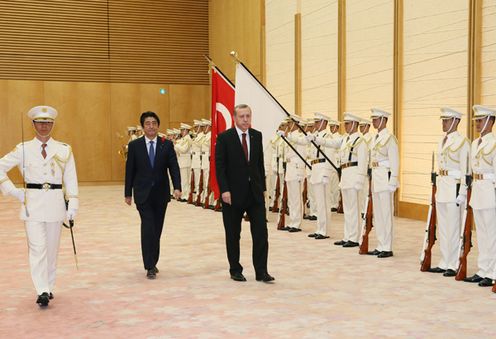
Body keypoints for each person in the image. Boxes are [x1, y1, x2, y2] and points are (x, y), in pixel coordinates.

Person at [0, 105, 79, 308]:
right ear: (33, 124)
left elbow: (70, 178)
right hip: (32, 205)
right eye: (40, 122)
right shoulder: (23, 149)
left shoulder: (63, 149)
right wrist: (13, 191)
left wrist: (73, 204)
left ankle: (49, 285)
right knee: (37, 248)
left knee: (51, 249)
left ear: (53, 124)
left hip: (55, 204)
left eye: (48, 122)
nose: (44, 126)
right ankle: (41, 289)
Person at [215, 104, 274, 283]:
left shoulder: (257, 135)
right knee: (233, 234)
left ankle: (261, 271)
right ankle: (235, 269)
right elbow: (220, 166)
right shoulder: (225, 138)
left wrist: (263, 188)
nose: (246, 120)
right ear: (234, 118)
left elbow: (259, 164)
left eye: (248, 116)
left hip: (254, 194)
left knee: (261, 233)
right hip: (232, 194)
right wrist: (224, 189)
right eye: (242, 116)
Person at [125, 111, 181, 279]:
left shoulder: (166, 144)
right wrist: (128, 193)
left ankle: (153, 261)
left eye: (154, 123)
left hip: (161, 194)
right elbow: (130, 170)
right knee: (148, 226)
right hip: (142, 194)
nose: (151, 126)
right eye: (147, 123)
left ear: (158, 126)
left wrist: (177, 187)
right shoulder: (135, 146)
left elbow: (174, 167)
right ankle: (149, 265)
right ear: (143, 127)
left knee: (157, 229)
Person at [428, 108, 469, 277]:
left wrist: (463, 191)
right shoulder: (442, 141)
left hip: (454, 188)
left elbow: (466, 170)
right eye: (442, 120)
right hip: (443, 186)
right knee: (443, 227)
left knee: (453, 227)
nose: (443, 123)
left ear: (455, 121)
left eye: (446, 120)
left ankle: (453, 263)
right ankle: (444, 261)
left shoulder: (462, 142)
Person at [464, 105, 496, 287]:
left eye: (481, 120)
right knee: (482, 234)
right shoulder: (475, 143)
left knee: (492, 234)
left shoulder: (494, 143)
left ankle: (492, 272)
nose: (477, 123)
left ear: (490, 121)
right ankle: (483, 269)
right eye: (477, 120)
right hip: (477, 190)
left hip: (490, 192)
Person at [367, 108, 399, 258]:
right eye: (373, 119)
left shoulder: (389, 138)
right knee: (378, 214)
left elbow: (395, 160)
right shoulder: (375, 138)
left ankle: (387, 247)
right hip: (376, 177)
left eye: (376, 119)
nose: (373, 121)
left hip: (385, 178)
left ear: (383, 120)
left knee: (386, 213)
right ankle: (380, 244)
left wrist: (394, 179)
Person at [174, 123, 193, 202]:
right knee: (183, 180)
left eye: (182, 130)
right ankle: (184, 195)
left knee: (185, 180)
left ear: (186, 130)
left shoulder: (187, 139)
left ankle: (186, 196)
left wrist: (176, 145)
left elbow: (183, 150)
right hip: (182, 161)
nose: (181, 132)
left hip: (185, 161)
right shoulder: (183, 139)